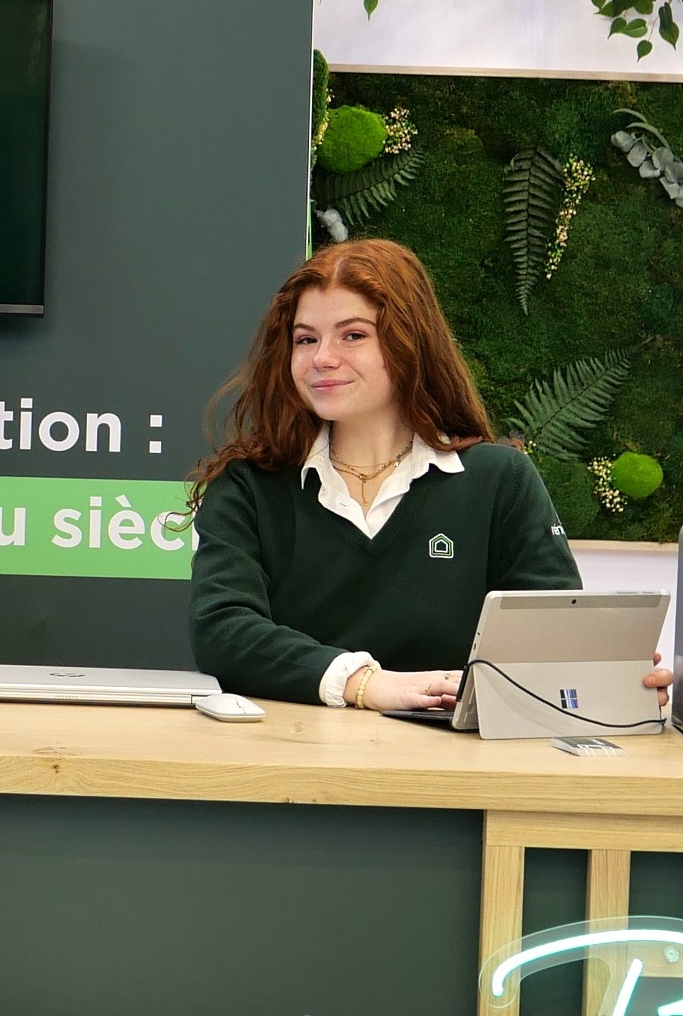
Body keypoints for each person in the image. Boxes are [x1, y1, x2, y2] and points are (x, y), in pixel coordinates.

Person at [188, 238, 672, 711]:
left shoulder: (500, 479)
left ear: (409, 342)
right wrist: (365, 684)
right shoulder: (248, 484)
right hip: (289, 752)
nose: (322, 358)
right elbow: (222, 630)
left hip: (456, 756)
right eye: (306, 339)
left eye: (353, 335)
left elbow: (551, 635)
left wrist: (609, 676)